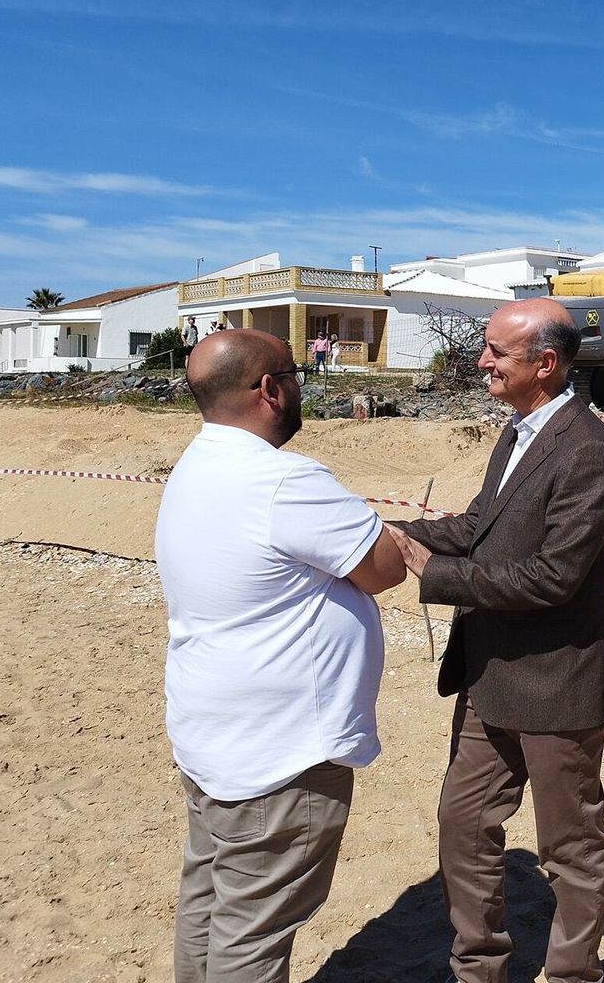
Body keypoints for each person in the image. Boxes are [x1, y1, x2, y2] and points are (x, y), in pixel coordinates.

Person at [386, 297, 604, 983]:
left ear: (546, 364)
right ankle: (479, 968)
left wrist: (434, 574)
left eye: (497, 350)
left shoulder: (588, 452)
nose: (482, 361)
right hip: (488, 674)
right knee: (463, 826)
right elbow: (479, 526)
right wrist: (389, 533)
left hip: (556, 683)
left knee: (569, 851)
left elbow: (554, 578)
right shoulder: (519, 431)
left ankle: (571, 976)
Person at [155, 329, 406, 982]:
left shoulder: (196, 463)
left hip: (214, 736)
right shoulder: (284, 481)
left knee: (210, 901)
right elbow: (383, 568)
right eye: (294, 374)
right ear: (269, 389)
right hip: (280, 755)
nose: (300, 387)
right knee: (253, 933)